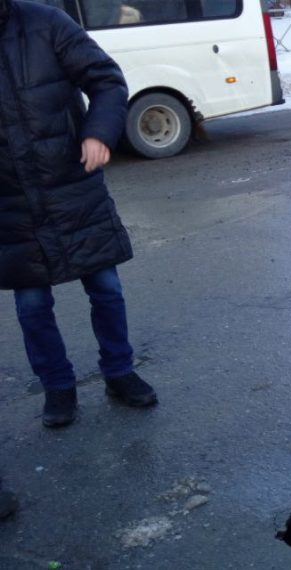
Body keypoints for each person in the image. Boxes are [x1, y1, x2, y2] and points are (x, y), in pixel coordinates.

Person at [0, 0, 157, 428]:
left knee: (105, 286)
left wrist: (98, 132)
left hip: (72, 183)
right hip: (10, 200)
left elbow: (106, 80)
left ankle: (119, 372)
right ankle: (57, 386)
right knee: (32, 303)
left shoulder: (45, 21)